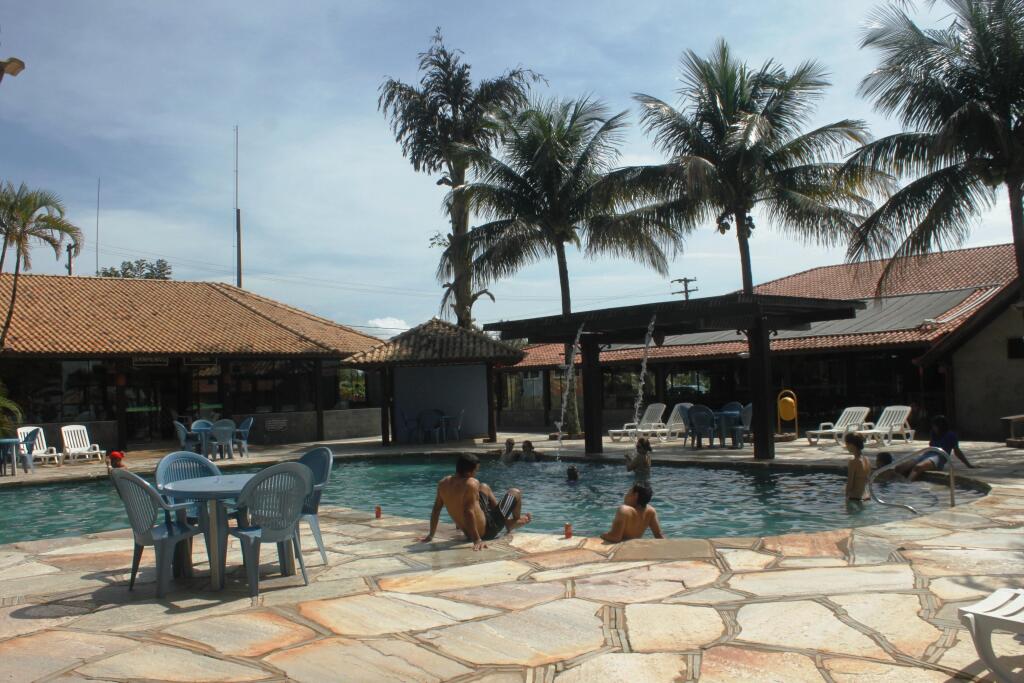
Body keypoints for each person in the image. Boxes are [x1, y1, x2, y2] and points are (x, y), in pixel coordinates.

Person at [421, 453, 532, 550]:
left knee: (484, 487)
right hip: (488, 531)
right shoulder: (471, 483)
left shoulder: (443, 483)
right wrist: (477, 540)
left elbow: (436, 510)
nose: (476, 474)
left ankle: (506, 521)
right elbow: (468, 511)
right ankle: (513, 521)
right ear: (469, 473)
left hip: (469, 531)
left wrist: (430, 535)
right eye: (476, 471)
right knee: (515, 492)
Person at [896, 415, 974, 481]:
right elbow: (931, 445)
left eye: (935, 426)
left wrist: (968, 465)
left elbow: (957, 452)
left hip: (939, 457)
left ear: (940, 426)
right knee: (899, 468)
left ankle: (907, 484)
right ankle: (897, 484)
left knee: (918, 467)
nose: (933, 428)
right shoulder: (933, 433)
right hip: (927, 454)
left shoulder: (951, 435)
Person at [844, 433, 871, 502]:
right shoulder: (867, 460)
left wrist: (846, 497)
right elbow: (867, 480)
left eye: (846, 444)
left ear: (851, 445)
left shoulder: (853, 462)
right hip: (866, 497)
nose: (846, 446)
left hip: (855, 498)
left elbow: (850, 484)